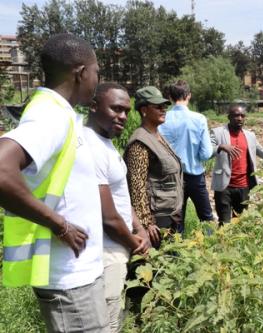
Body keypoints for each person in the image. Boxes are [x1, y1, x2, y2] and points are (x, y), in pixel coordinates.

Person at [0, 33, 108, 332]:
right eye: (97, 71)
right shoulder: (51, 116)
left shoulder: (62, 114)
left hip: (78, 277)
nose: (98, 79)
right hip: (69, 284)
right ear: (80, 72)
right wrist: (59, 224)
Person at [84, 82, 151, 332]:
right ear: (93, 106)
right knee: (108, 321)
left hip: (118, 249)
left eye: (126, 110)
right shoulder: (89, 146)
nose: (122, 116)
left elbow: (121, 197)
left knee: (116, 314)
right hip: (106, 252)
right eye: (115, 109)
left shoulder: (107, 143)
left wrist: (140, 228)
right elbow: (108, 217)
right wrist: (136, 243)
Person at [124, 86, 183, 248]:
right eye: (158, 107)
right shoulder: (140, 143)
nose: (163, 109)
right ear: (144, 110)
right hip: (157, 222)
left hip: (170, 215)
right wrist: (146, 223)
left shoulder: (157, 135)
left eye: (165, 106)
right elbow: (137, 186)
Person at [211, 104, 263, 224]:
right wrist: (221, 146)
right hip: (224, 187)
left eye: (242, 115)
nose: (240, 118)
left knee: (241, 222)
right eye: (236, 115)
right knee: (224, 223)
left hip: (244, 186)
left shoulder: (250, 136)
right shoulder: (217, 133)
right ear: (229, 116)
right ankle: (223, 243)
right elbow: (207, 152)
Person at [158, 80, 214, 232]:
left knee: (176, 220)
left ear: (169, 97)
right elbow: (206, 154)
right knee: (206, 218)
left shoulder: (162, 119)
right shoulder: (199, 119)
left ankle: (177, 253)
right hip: (195, 176)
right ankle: (210, 250)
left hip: (171, 177)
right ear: (189, 95)